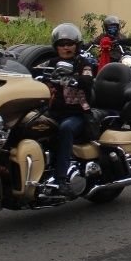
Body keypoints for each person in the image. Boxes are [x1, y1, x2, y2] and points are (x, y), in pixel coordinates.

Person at [40, 23, 95, 198]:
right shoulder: (53, 62)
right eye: (62, 44)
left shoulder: (82, 62)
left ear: (76, 45)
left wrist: (74, 80)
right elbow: (35, 70)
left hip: (77, 114)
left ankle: (61, 179)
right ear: (56, 46)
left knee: (66, 129)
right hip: (54, 112)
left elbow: (88, 79)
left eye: (70, 43)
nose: (66, 47)